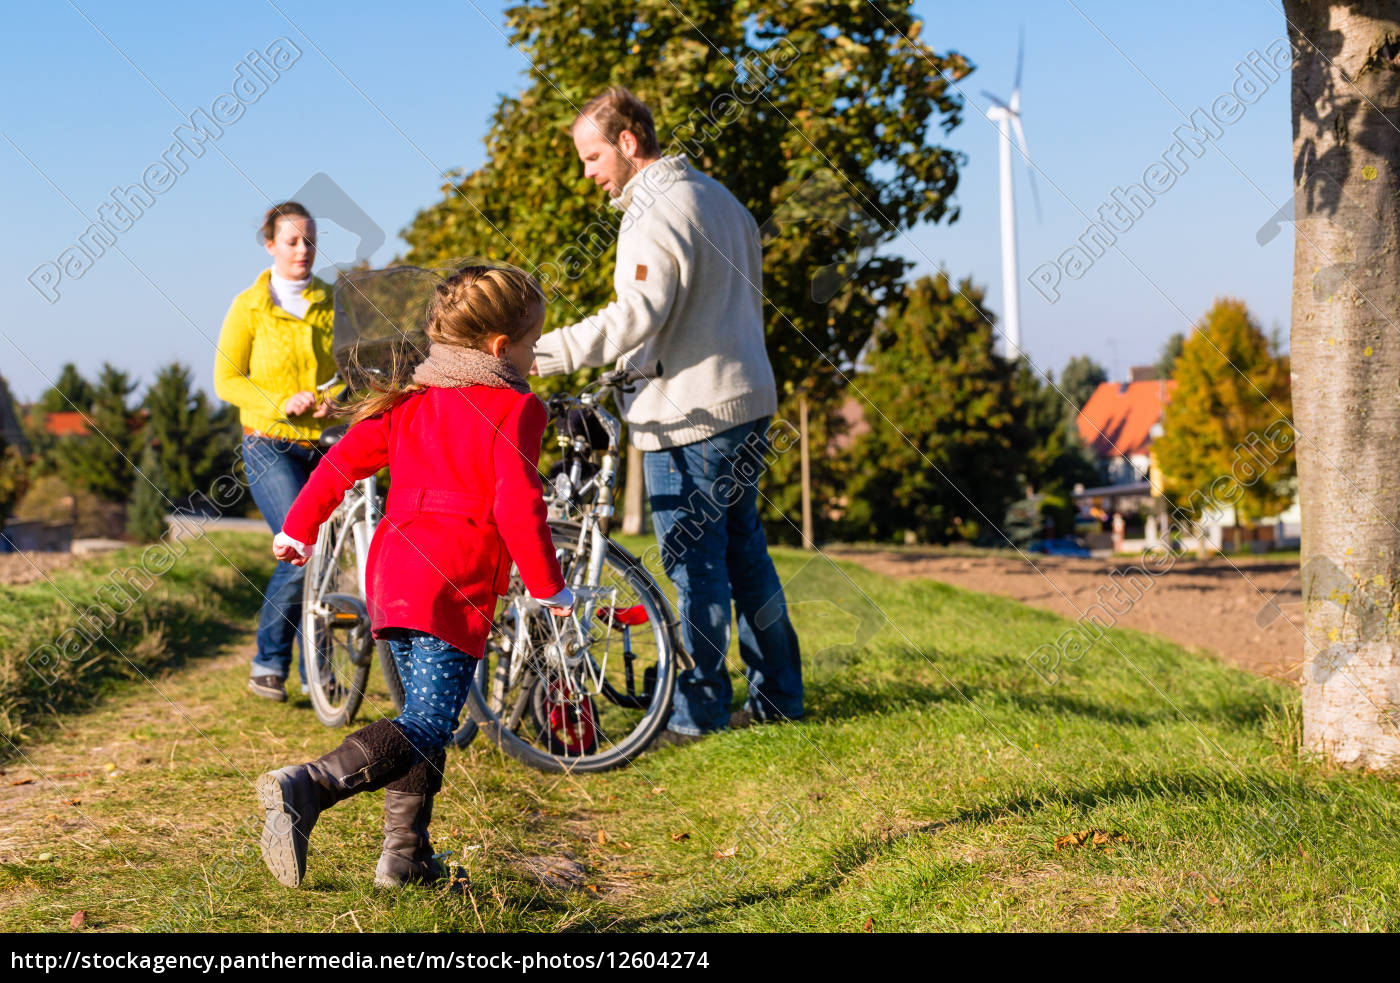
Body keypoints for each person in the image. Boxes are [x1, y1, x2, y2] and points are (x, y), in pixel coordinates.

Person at [256, 264, 573, 889]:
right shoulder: (516, 409)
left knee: (425, 717)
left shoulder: (410, 399)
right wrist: (547, 585)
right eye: (534, 343)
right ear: (498, 347)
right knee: (428, 724)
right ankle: (308, 786)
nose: (535, 356)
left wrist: (299, 526)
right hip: (450, 581)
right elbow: (518, 505)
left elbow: (341, 461)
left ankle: (406, 858)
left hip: (394, 574)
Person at [531, 87, 803, 744]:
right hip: (746, 401)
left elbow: (636, 316)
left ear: (628, 142)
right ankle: (779, 696)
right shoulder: (720, 198)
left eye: (593, 156)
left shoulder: (655, 209)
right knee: (746, 555)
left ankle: (698, 712)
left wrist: (538, 353)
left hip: (692, 416)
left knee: (695, 566)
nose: (588, 173)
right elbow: (694, 311)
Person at [214, 201, 337, 703]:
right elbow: (226, 381)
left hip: (327, 444)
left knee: (325, 554)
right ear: (271, 245)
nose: (303, 251)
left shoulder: (335, 300)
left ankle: (309, 670)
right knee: (301, 544)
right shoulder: (248, 306)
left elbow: (351, 367)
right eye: (292, 241)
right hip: (269, 443)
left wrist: (337, 402)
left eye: (310, 240)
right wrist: (279, 402)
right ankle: (271, 660)